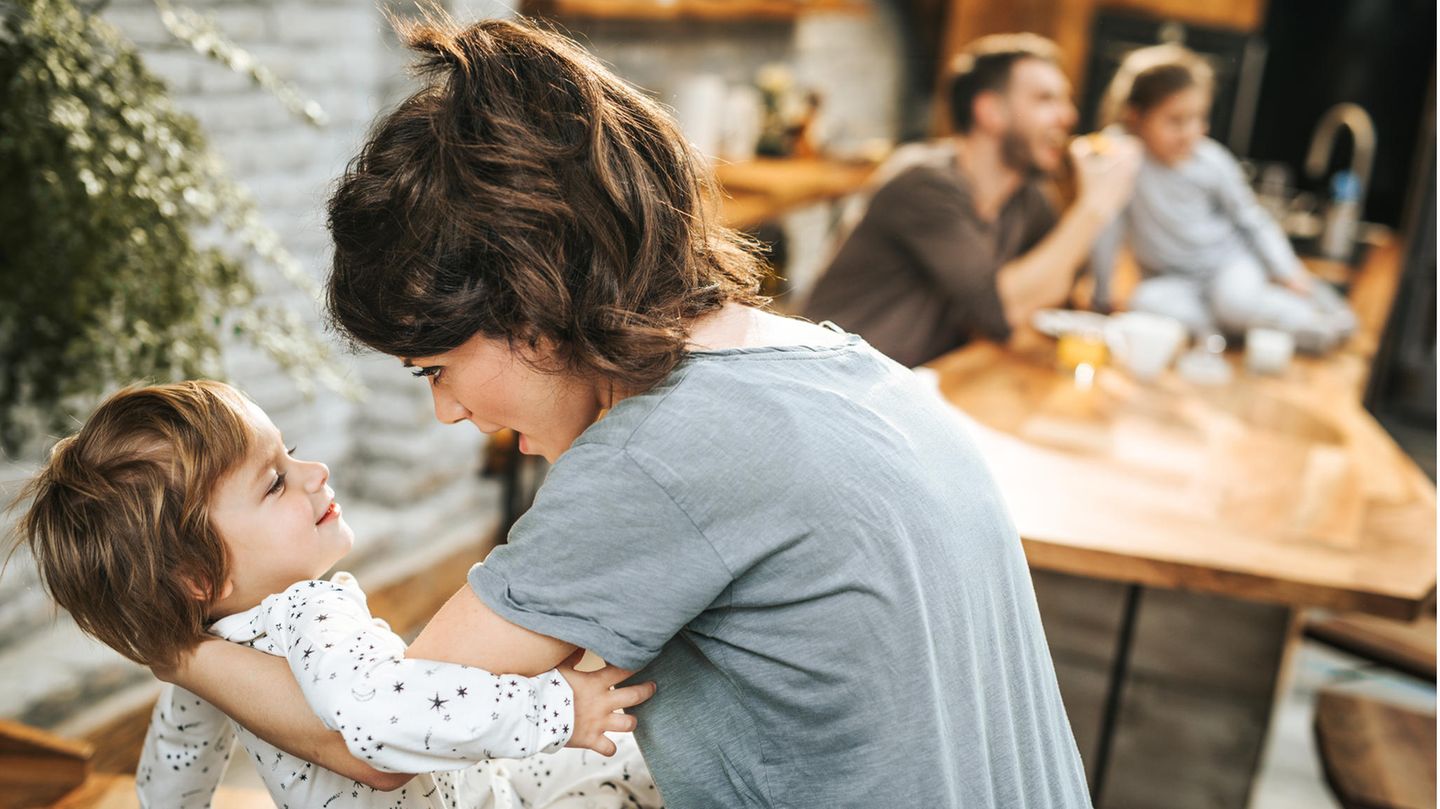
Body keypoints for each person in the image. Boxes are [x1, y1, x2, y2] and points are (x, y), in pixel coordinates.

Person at [160, 16, 1093, 809]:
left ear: (529, 306)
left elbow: (378, 739)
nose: (448, 411)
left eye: (436, 368)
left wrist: (165, 638)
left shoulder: (660, 454)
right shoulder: (840, 362)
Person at [12, 380, 659, 809]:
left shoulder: (207, 660)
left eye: (289, 453)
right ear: (200, 578)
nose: (314, 471)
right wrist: (557, 706)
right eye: (273, 483)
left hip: (477, 784)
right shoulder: (308, 608)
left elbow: (176, 768)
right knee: (635, 768)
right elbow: (383, 716)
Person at [801, 33, 1141, 368]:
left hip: (919, 382)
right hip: (830, 377)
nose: (1068, 116)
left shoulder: (1028, 198)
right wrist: (1093, 208)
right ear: (990, 111)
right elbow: (1000, 313)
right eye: (1045, 100)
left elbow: (1060, 289)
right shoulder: (923, 185)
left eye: (1065, 101)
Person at [1089, 44, 1356, 351]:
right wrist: (1102, 293)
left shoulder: (1211, 161)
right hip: (1173, 279)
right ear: (1135, 116)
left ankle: (1321, 319)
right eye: (1176, 120)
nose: (1190, 132)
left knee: (1235, 304)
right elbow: (1106, 223)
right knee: (1144, 302)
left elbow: (1252, 219)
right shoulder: (1122, 158)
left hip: (1228, 265)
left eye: (1199, 119)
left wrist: (1287, 271)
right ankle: (1233, 332)